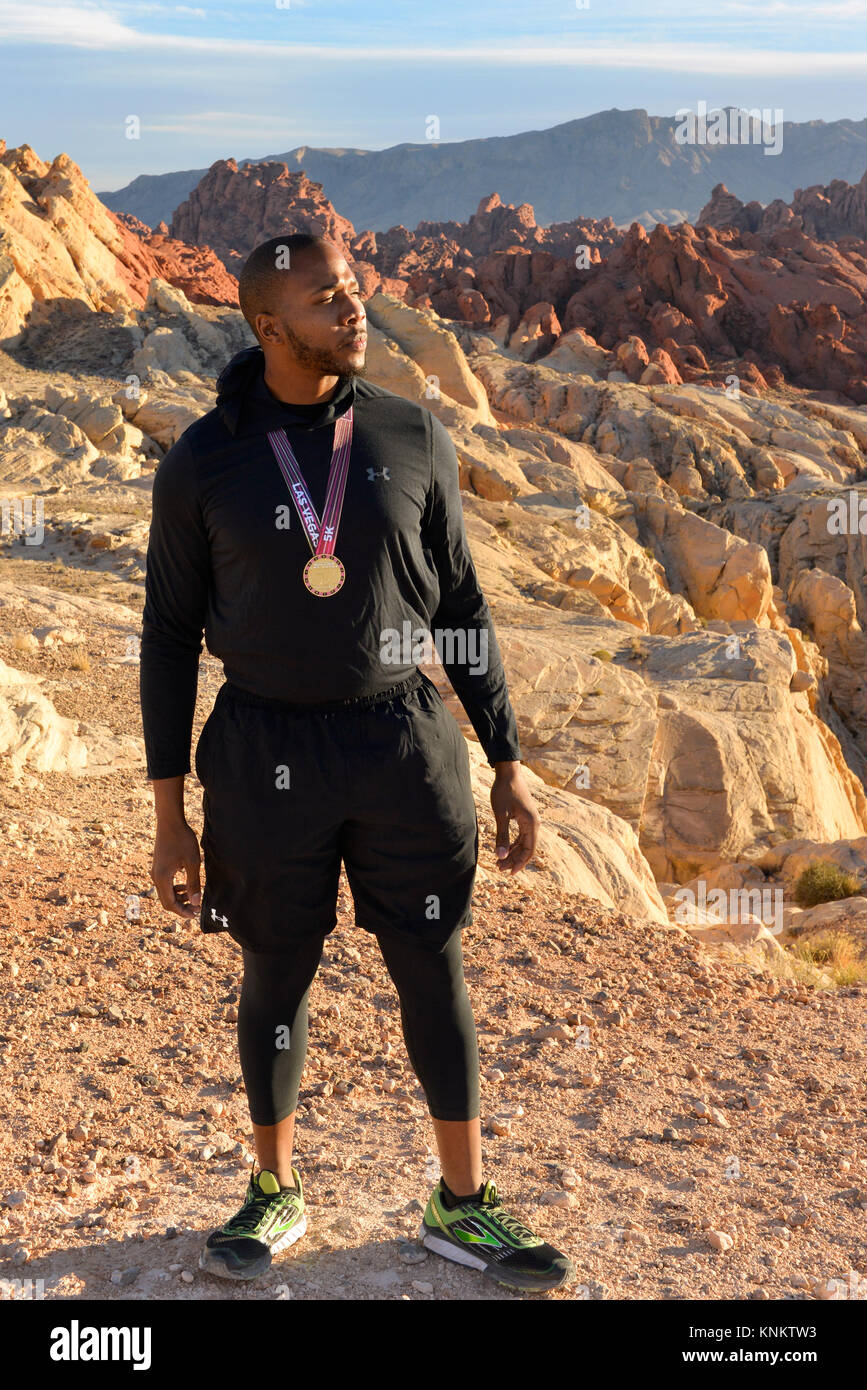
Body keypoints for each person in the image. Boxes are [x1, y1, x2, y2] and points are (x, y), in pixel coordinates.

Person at [139, 232, 575, 1293]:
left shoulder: (412, 432)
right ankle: (274, 1189)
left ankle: (461, 1203)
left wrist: (508, 760)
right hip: (261, 751)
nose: (354, 308)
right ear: (267, 325)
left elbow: (462, 606)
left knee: (431, 961)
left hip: (401, 743)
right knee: (276, 967)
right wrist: (167, 813)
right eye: (325, 297)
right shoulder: (206, 458)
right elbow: (166, 635)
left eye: (353, 288)